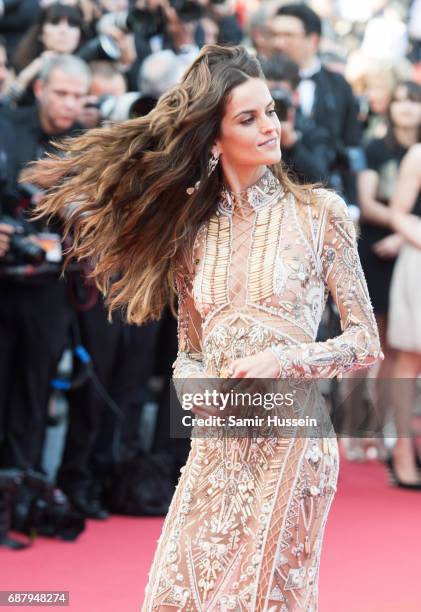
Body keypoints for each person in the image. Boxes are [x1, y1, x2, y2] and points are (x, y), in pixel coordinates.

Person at [27, 45, 381, 610]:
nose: (269, 126)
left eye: (270, 110)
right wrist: (200, 396)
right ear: (213, 138)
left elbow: (365, 341)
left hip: (293, 443)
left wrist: (283, 360)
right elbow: (189, 352)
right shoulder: (192, 234)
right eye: (249, 118)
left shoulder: (321, 214)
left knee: (257, 600)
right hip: (217, 446)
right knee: (174, 595)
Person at [386, 143, 421, 489]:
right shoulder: (418, 155)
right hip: (419, 261)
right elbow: (399, 212)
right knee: (412, 356)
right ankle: (402, 452)